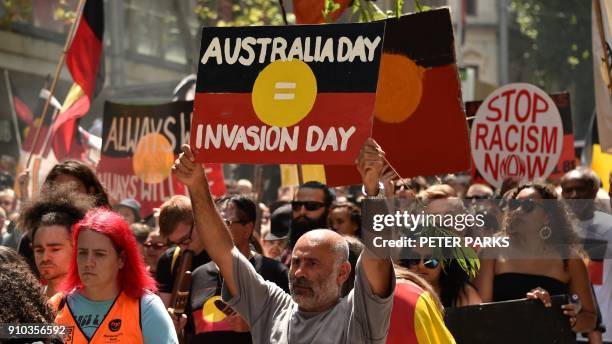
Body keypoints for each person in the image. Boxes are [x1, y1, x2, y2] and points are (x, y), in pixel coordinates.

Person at [172, 139, 395, 343]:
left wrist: (374, 191)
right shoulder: (271, 306)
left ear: (343, 272)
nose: (299, 272)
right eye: (296, 262)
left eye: (312, 263)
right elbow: (223, 250)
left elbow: (377, 256)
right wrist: (197, 184)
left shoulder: (359, 316)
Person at [475, 183, 598, 333]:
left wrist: (570, 320)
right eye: (514, 205)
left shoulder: (570, 259)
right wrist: (524, 308)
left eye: (528, 205)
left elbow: (590, 317)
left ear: (548, 217)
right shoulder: (491, 250)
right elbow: (480, 313)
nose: (518, 211)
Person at [49, 208, 177, 343]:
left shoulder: (146, 307)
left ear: (121, 259)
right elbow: (25, 334)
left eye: (99, 254)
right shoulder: (55, 306)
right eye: (83, 253)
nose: (88, 263)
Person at [187, 195, 289, 342]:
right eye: (212, 223)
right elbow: (191, 333)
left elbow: (293, 327)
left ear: (247, 229)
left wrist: (254, 325)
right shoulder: (198, 275)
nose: (215, 229)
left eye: (225, 223)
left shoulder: (274, 273)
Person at [561, 167, 612, 342]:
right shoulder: (553, 231)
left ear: (594, 191)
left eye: (580, 189)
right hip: (566, 330)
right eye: (568, 190)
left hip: (606, 331)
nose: (574, 195)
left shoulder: (609, 227)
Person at [18, 183, 95, 297]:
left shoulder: (93, 301)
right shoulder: (28, 301)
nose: (45, 258)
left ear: (76, 248)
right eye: (39, 250)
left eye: (55, 249)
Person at [155, 195, 210, 307]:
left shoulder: (223, 255)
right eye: (174, 243)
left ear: (198, 222)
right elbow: (165, 308)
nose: (182, 248)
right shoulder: (168, 260)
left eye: (185, 239)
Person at [386, 265, 456, 343]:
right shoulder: (414, 297)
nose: (421, 265)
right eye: (414, 260)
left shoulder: (413, 299)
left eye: (431, 261)